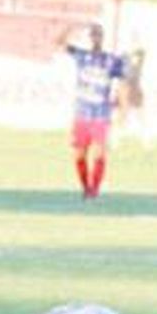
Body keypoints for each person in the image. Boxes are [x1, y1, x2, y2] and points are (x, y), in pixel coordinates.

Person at [58, 22, 126, 200]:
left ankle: (93, 190)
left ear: (102, 38)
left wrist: (120, 105)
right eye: (92, 35)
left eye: (98, 34)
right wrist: (72, 28)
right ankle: (85, 186)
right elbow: (59, 43)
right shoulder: (82, 56)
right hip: (82, 113)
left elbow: (123, 81)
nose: (95, 38)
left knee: (100, 152)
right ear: (88, 38)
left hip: (101, 114)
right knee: (79, 155)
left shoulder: (111, 60)